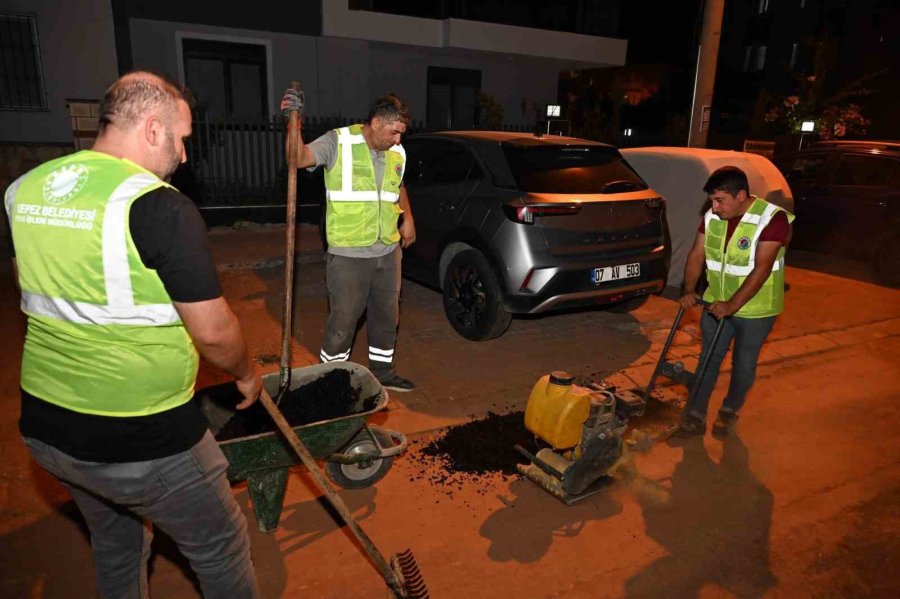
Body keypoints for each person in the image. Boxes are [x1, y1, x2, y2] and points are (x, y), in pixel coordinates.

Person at [5, 71, 261, 598]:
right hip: (140, 436)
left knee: (118, 540)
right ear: (151, 129)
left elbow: (29, 286)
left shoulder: (24, 189)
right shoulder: (157, 206)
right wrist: (247, 371)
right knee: (222, 545)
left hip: (47, 427)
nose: (185, 157)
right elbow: (214, 334)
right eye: (182, 139)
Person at [280, 88, 417, 392]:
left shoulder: (396, 151)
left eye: (402, 134)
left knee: (387, 316)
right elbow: (297, 158)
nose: (398, 140)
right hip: (349, 254)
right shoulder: (338, 141)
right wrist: (294, 122)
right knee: (343, 324)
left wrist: (408, 217)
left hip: (388, 251)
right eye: (394, 132)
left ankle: (383, 372)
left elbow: (398, 183)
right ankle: (331, 380)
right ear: (377, 122)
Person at [676, 166, 794, 438]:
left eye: (720, 200)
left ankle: (729, 411)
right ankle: (695, 414)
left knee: (743, 364)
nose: (715, 208)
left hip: (756, 311)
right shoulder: (711, 217)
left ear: (741, 195)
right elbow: (697, 254)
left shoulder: (771, 219)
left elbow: (762, 268)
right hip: (715, 304)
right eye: (712, 201)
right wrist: (689, 289)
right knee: (708, 359)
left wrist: (732, 305)